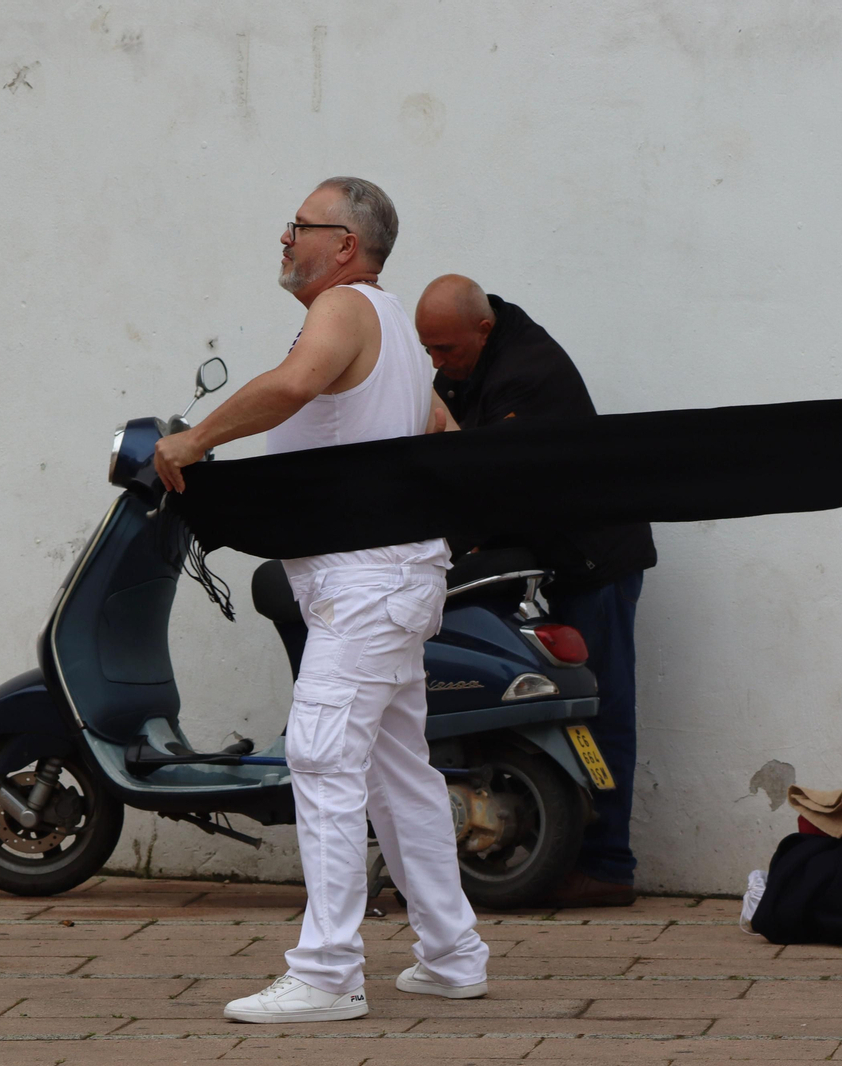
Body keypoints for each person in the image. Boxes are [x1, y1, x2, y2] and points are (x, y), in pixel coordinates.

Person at [154, 177, 489, 1022]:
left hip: (366, 582)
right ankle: (453, 956)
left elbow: (297, 383)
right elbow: (440, 429)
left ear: (345, 245)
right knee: (398, 773)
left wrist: (195, 440)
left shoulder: (343, 307)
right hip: (394, 576)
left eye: (299, 225)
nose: (285, 236)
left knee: (322, 758)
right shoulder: (396, 325)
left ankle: (329, 974)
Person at [416, 274, 657, 907]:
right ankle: (563, 852)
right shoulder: (470, 362)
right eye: (427, 349)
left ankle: (609, 867)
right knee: (558, 703)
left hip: (596, 558)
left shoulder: (528, 372)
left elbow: (496, 481)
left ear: (483, 328)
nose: (436, 362)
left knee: (600, 707)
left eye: (445, 349)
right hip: (549, 554)